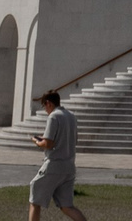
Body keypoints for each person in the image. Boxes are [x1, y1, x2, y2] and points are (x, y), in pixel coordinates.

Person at [28, 88, 85, 221]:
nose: (45, 110)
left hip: (54, 165)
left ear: (48, 103)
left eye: (44, 106)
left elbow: (48, 144)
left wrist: (37, 141)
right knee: (67, 206)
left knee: (35, 200)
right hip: (69, 166)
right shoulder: (71, 116)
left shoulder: (54, 116)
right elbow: (72, 139)